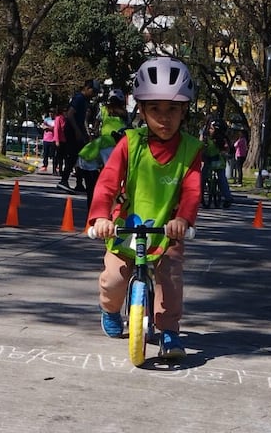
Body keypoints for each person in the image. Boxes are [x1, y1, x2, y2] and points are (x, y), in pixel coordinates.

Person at [87, 57, 202, 360]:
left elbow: (192, 189)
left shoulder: (191, 149)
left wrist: (183, 219)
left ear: (184, 110)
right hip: (126, 227)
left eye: (173, 110)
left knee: (170, 279)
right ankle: (110, 309)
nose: (164, 118)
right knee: (113, 279)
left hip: (167, 230)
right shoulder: (130, 142)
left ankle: (169, 331)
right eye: (155, 110)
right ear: (141, 110)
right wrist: (100, 216)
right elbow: (108, 182)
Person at [78, 89, 132, 209]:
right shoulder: (125, 114)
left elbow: (96, 125)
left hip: (92, 152)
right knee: (110, 183)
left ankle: (93, 209)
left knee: (94, 188)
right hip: (107, 151)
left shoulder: (103, 110)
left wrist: (92, 134)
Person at [57, 79, 100, 193]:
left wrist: (85, 133)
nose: (94, 94)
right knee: (73, 156)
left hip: (79, 130)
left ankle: (79, 184)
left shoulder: (85, 101)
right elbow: (70, 114)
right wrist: (76, 131)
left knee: (80, 156)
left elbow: (84, 119)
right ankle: (64, 180)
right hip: (72, 131)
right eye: (93, 91)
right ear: (86, 87)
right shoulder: (79, 98)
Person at [201, 119, 234, 207]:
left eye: (212, 129)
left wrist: (225, 152)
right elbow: (200, 145)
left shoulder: (222, 140)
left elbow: (227, 148)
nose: (209, 130)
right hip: (208, 159)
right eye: (209, 128)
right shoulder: (206, 138)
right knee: (203, 176)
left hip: (218, 161)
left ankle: (228, 198)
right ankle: (199, 195)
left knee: (221, 178)